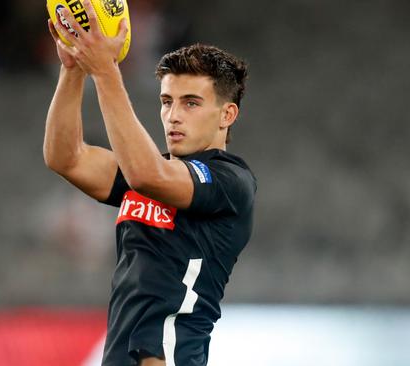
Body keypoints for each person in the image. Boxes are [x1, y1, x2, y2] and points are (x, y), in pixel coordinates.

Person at [43, 1, 256, 365]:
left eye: (191, 103)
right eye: (166, 101)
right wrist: (74, 67)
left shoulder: (230, 181)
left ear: (227, 114)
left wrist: (106, 71)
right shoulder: (150, 170)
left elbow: (148, 175)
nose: (173, 116)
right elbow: (66, 157)